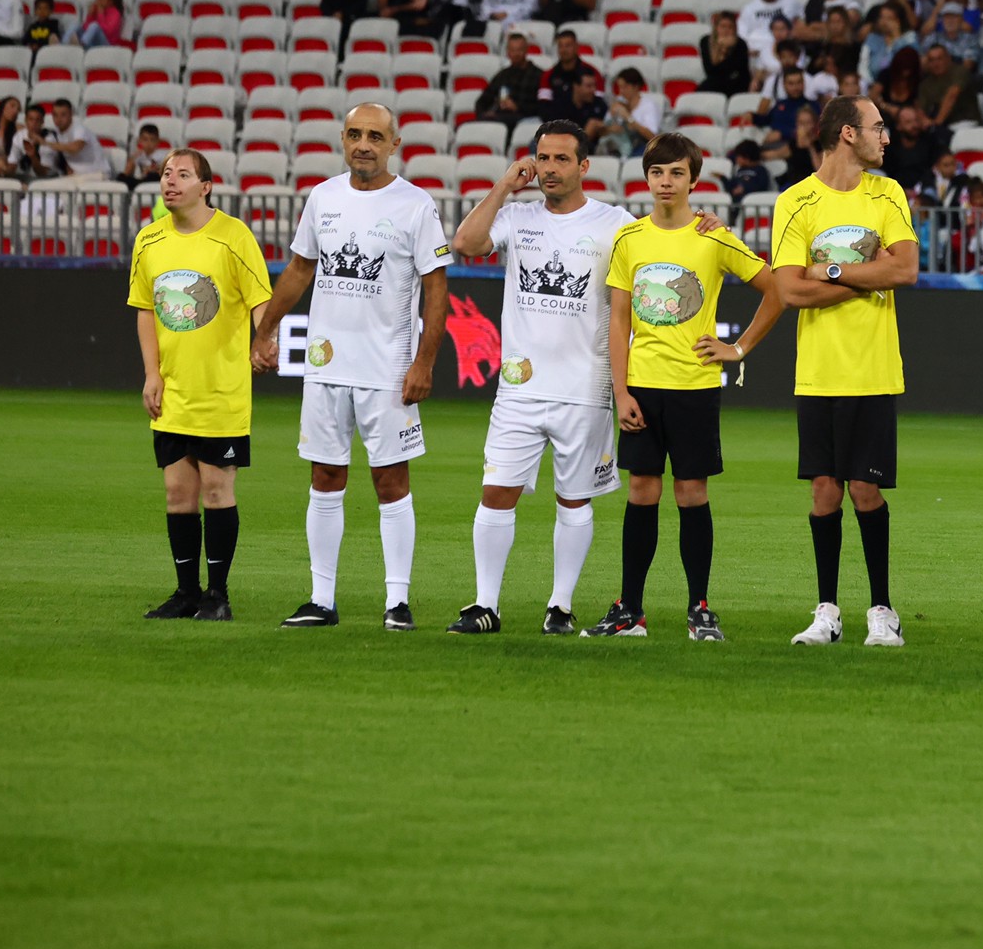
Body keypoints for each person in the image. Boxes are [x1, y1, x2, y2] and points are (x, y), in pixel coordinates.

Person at [251, 106, 449, 632]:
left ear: (395, 144)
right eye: (356, 135)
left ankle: (398, 602)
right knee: (324, 476)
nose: (364, 144)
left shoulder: (416, 205)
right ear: (343, 139)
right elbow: (299, 269)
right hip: (324, 366)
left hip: (388, 368)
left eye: (375, 137)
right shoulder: (323, 197)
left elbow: (436, 289)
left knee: (391, 481)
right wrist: (266, 329)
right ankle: (321, 598)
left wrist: (423, 361)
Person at [594, 133, 786, 641]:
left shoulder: (714, 238)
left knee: (691, 493)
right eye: (657, 172)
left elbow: (776, 291)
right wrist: (622, 392)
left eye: (676, 173)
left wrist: (737, 349)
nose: (665, 182)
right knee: (640, 491)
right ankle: (629, 610)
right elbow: (618, 321)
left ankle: (699, 608)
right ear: (646, 177)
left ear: (693, 180)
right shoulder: (629, 238)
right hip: (641, 384)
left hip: (695, 387)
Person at [440, 121, 628, 636]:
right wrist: (503, 186)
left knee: (574, 500)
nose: (549, 169)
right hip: (520, 388)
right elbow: (466, 242)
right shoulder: (517, 215)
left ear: (583, 166)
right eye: (542, 159)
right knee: (495, 491)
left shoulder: (614, 222)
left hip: (586, 388)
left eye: (561, 159)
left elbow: (656, 254)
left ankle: (560, 607)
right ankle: (485, 605)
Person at [771, 96, 919, 648]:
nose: (888, 137)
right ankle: (827, 611)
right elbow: (788, 289)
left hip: (875, 369)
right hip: (818, 371)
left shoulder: (888, 193)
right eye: (879, 128)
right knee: (825, 492)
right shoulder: (796, 200)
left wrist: (829, 268)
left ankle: (882, 609)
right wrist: (866, 272)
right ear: (849, 134)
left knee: (865, 490)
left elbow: (904, 269)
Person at [129, 148, 271, 622]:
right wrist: (152, 374)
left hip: (220, 391)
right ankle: (186, 593)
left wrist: (263, 340)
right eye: (167, 173)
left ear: (206, 186)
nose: (170, 181)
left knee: (216, 490)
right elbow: (146, 311)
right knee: (177, 493)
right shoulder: (148, 240)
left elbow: (258, 300)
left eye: (183, 175)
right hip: (173, 391)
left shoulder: (232, 236)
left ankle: (218, 595)